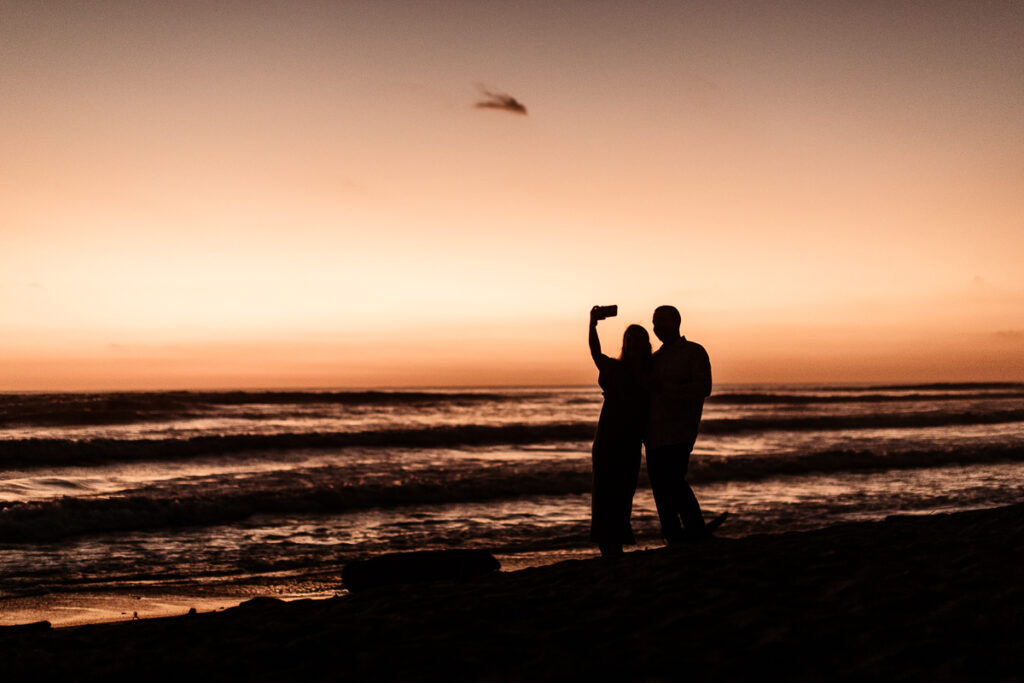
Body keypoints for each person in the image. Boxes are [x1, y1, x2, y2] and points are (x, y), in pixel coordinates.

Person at [644, 305, 712, 544]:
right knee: (661, 489)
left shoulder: (694, 352)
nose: (657, 327)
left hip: (680, 431)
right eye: (654, 322)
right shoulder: (654, 359)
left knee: (674, 482)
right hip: (653, 434)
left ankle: (696, 531)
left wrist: (667, 389)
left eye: (661, 321)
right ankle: (673, 537)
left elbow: (704, 388)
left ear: (676, 322)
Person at [588, 305, 651, 557]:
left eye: (639, 340)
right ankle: (607, 544)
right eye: (630, 340)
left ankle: (618, 542)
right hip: (608, 439)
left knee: (624, 492)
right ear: (625, 344)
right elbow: (595, 352)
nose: (634, 344)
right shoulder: (615, 368)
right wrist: (592, 324)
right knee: (604, 491)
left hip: (631, 440)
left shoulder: (650, 372)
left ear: (646, 344)